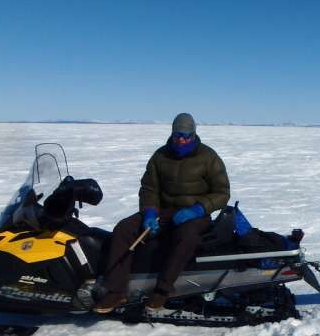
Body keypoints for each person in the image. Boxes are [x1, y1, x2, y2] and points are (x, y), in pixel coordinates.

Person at [93, 113, 230, 314]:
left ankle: (163, 289)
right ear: (172, 134)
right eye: (177, 135)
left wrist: (198, 209)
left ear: (194, 134)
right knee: (123, 229)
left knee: (186, 237)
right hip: (163, 211)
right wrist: (149, 212)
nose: (181, 139)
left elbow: (222, 193)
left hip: (195, 214)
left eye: (186, 135)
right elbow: (149, 189)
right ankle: (116, 290)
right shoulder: (160, 156)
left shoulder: (208, 157)